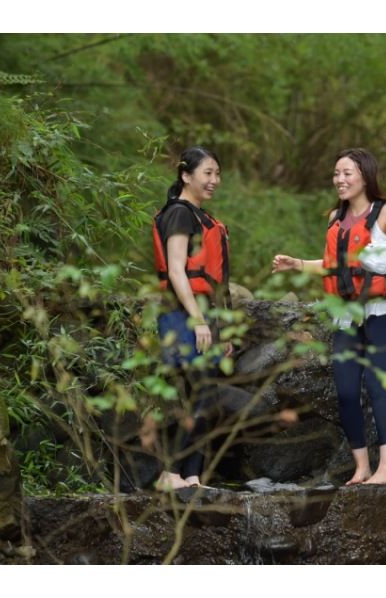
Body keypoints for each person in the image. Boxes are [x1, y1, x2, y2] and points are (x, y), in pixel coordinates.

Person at [272, 148, 386, 485]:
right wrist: (299, 265)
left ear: (365, 175)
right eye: (336, 173)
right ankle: (361, 466)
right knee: (347, 390)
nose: (340, 179)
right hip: (348, 314)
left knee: (379, 386)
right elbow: (334, 264)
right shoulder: (336, 217)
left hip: (382, 312)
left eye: (347, 173)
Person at [150, 145, 234, 491]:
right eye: (207, 173)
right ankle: (169, 473)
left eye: (217, 173)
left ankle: (192, 474)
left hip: (205, 316)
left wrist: (223, 329)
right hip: (183, 316)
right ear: (186, 175)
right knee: (196, 393)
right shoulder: (180, 214)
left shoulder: (204, 218)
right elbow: (176, 271)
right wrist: (198, 320)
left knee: (206, 395)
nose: (214, 180)